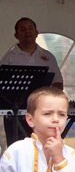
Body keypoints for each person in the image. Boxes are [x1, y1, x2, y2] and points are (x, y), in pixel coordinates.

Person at [1, 17, 64, 146]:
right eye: (23, 29)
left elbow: (58, 83)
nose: (27, 32)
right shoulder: (9, 58)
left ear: (36, 33)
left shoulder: (48, 56)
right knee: (17, 149)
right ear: (16, 35)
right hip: (15, 112)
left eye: (30, 28)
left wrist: (48, 99)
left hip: (42, 112)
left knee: (44, 148)